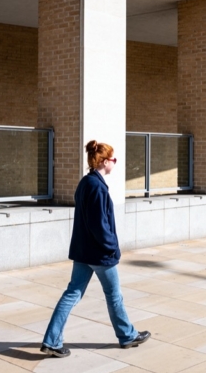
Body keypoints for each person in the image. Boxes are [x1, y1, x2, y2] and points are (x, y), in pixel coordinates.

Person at [41, 140, 150, 357]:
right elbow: (100, 225)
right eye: (113, 159)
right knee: (114, 295)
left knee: (72, 293)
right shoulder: (96, 187)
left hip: (84, 251)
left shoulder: (86, 182)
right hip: (99, 253)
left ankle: (51, 341)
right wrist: (113, 248)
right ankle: (127, 336)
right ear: (104, 161)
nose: (115, 163)